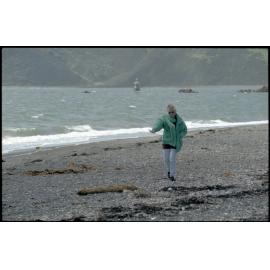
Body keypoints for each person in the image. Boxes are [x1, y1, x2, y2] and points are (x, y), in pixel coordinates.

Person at [150, 104, 187, 181]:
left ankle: (172, 175)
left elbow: (184, 130)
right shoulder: (164, 118)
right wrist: (154, 129)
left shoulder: (179, 120)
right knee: (166, 159)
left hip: (175, 142)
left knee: (171, 159)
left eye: (172, 112)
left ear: (175, 111)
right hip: (166, 141)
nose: (171, 114)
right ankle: (169, 171)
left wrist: (179, 136)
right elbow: (159, 124)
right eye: (169, 112)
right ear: (168, 112)